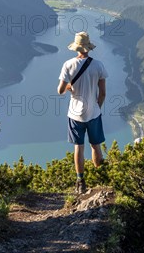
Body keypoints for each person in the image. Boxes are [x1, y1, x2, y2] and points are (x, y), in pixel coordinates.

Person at [57, 31, 107, 194]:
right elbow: (103, 93)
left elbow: (60, 90)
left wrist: (70, 87)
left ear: (76, 48)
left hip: (74, 114)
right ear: (88, 47)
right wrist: (97, 107)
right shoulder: (98, 65)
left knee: (79, 147)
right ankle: (102, 177)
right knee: (96, 146)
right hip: (93, 113)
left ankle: (80, 182)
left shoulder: (68, 64)